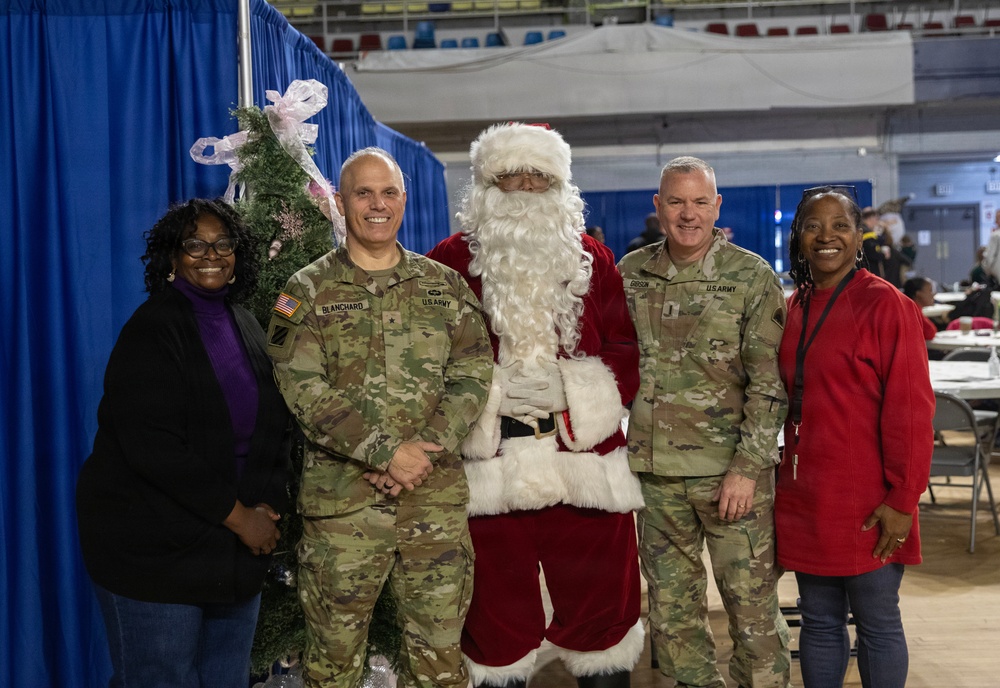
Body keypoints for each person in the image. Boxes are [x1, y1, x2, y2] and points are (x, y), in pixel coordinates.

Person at [427, 122, 645, 688]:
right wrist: (489, 397)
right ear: (484, 186)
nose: (524, 187)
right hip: (490, 476)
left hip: (585, 468)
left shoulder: (593, 258)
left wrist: (576, 390)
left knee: (604, 620)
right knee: (495, 627)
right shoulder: (447, 263)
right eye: (509, 176)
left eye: (539, 176)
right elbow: (425, 362)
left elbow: (625, 348)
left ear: (560, 186)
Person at [266, 147, 494, 688]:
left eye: (388, 192)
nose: (377, 204)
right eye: (363, 193)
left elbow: (474, 372)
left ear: (404, 200)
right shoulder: (303, 292)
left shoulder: (445, 286)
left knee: (438, 664)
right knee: (333, 663)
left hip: (432, 505)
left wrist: (423, 451)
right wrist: (386, 452)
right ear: (340, 203)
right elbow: (300, 386)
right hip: (344, 511)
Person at [76, 198, 292, 688]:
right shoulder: (151, 331)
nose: (210, 254)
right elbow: (156, 451)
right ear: (172, 257)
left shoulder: (246, 323)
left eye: (223, 244)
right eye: (194, 244)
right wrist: (243, 519)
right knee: (162, 678)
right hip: (153, 549)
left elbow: (272, 429)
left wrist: (264, 507)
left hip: (232, 550)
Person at [617, 156, 791, 688]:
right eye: (675, 201)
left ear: (717, 207)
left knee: (753, 613)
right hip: (655, 476)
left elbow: (770, 384)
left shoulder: (750, 275)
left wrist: (747, 468)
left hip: (731, 476)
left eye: (699, 202)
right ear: (658, 206)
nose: (687, 214)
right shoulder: (630, 275)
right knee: (672, 615)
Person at [778, 185, 933, 688]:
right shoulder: (793, 306)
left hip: (871, 500)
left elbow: (911, 411)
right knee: (819, 624)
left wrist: (904, 498)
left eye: (840, 225)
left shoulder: (887, 306)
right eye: (813, 226)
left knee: (877, 624)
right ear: (798, 237)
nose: (826, 236)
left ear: (858, 235)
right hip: (806, 495)